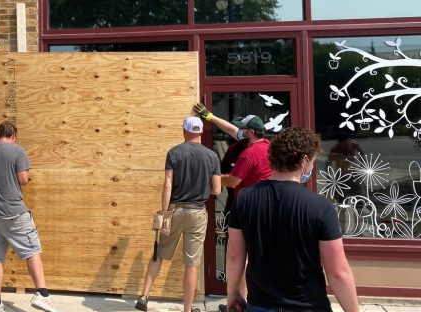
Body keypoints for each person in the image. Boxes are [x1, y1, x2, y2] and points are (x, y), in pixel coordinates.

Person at [226, 127, 359, 312]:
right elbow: (337, 272)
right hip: (307, 306)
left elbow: (235, 256)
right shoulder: (319, 206)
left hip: (260, 304)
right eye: (312, 161)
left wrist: (232, 295)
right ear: (304, 161)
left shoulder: (244, 198)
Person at [135, 116, 221, 312]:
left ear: (184, 131)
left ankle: (144, 296)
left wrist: (164, 213)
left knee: (159, 254)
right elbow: (216, 190)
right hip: (197, 213)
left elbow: (167, 184)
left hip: (174, 210)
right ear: (200, 132)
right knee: (191, 264)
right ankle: (188, 309)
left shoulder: (174, 153)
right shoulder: (212, 156)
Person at [193, 103, 272, 310]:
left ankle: (241, 302)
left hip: (248, 208)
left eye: (243, 130)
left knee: (240, 256)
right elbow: (231, 129)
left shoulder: (249, 153)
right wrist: (209, 117)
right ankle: (245, 300)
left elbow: (234, 181)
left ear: (251, 132)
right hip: (266, 207)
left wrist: (211, 179)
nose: (239, 132)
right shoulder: (268, 147)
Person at [0, 121, 59, 312]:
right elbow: (23, 179)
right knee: (31, 250)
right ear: (13, 136)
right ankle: (42, 294)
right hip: (13, 213)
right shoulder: (17, 150)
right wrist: (27, 177)